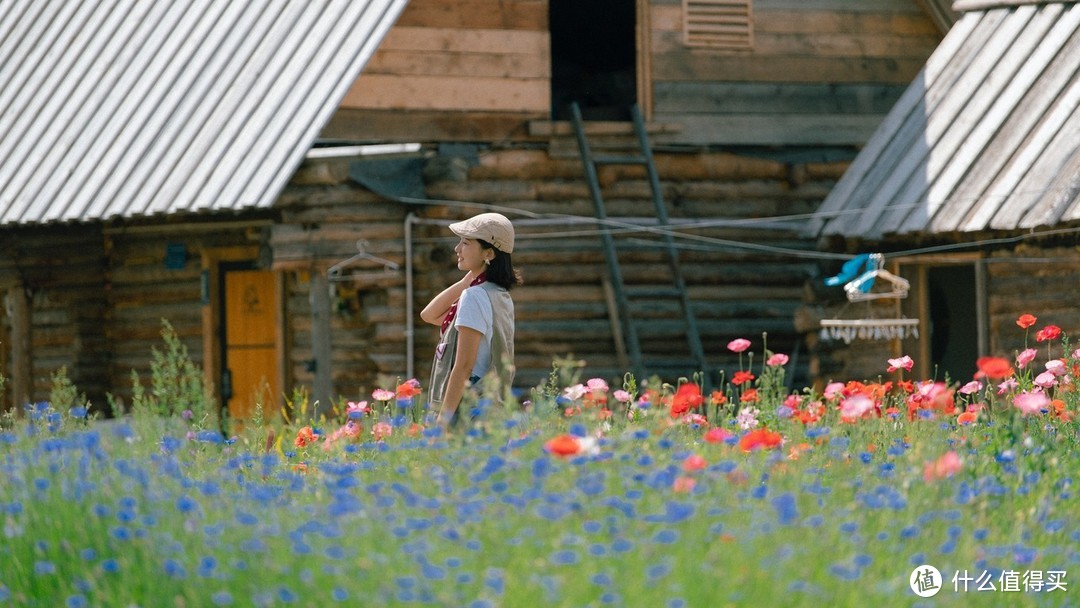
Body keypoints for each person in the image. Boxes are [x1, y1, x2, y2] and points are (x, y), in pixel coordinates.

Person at [421, 212, 521, 430]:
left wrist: (442, 422)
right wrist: (467, 280)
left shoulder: (474, 296)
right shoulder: (498, 294)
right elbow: (429, 315)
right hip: (489, 404)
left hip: (468, 403)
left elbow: (464, 365)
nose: (457, 249)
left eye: (465, 243)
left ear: (488, 253)